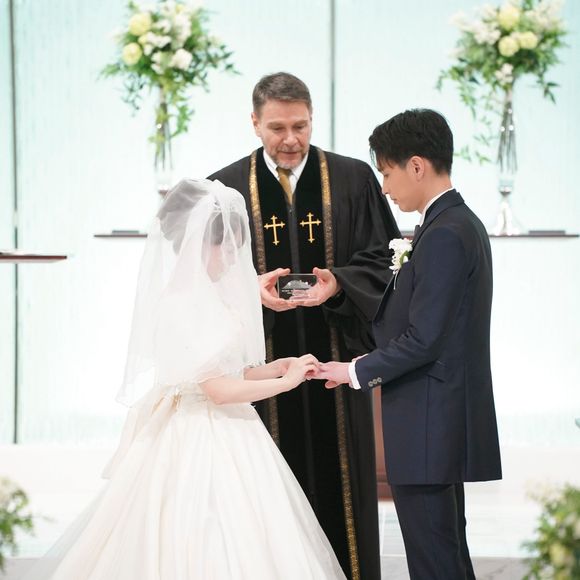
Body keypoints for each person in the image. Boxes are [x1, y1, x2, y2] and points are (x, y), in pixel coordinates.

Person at [24, 179, 346, 580]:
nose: (235, 254)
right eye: (227, 245)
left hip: (229, 428)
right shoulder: (183, 302)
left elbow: (222, 371)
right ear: (199, 244)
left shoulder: (210, 294)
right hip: (199, 434)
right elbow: (217, 390)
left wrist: (278, 366)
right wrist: (287, 382)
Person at [208, 72, 400, 580]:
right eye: (277, 128)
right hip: (261, 370)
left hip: (334, 362)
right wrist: (250, 292)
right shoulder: (225, 189)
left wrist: (337, 284)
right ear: (254, 123)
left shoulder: (353, 179)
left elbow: (384, 261)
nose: (290, 139)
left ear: (313, 119)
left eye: (301, 125)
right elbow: (203, 280)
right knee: (267, 502)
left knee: (343, 495)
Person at [317, 109, 502, 580]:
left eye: (386, 172)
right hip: (435, 427)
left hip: (428, 428)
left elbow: (424, 340)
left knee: (434, 563)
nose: (384, 187)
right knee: (445, 559)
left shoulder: (445, 234)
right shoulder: (455, 223)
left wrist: (353, 370)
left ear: (416, 166)